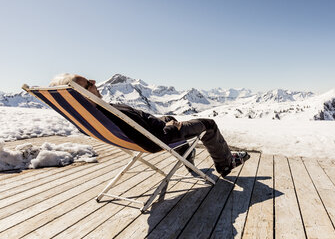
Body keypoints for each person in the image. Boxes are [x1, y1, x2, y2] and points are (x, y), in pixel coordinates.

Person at [49, 73, 250, 177]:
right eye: (89, 83)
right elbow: (157, 137)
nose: (95, 82)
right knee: (209, 124)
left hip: (153, 132)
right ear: (82, 93)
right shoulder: (110, 112)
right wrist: (172, 125)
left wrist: (167, 121)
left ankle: (189, 162)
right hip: (160, 137)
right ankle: (225, 163)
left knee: (170, 116)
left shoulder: (97, 112)